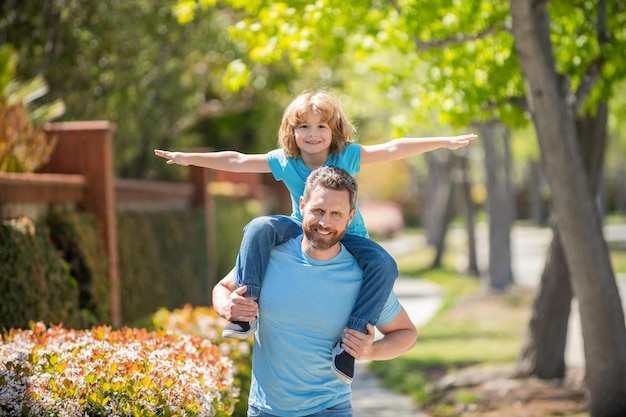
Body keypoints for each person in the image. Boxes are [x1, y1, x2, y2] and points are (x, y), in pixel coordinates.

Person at [155, 89, 476, 383]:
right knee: (259, 227)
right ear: (291, 132)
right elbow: (236, 160)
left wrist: (442, 141)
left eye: (321, 126)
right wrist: (188, 159)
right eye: (304, 127)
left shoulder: (346, 156)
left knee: (384, 263)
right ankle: (245, 309)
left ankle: (348, 346)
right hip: (300, 226)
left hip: (349, 235)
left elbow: (392, 148)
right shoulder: (285, 160)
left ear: (334, 131)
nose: (312, 134)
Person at [213, 166, 418, 417]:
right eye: (318, 211)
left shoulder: (366, 280)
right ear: (301, 205)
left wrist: (370, 351)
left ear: (350, 216)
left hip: (329, 410)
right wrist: (226, 307)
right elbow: (222, 288)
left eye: (336, 214)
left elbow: (406, 334)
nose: (325, 222)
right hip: (263, 409)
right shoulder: (268, 256)